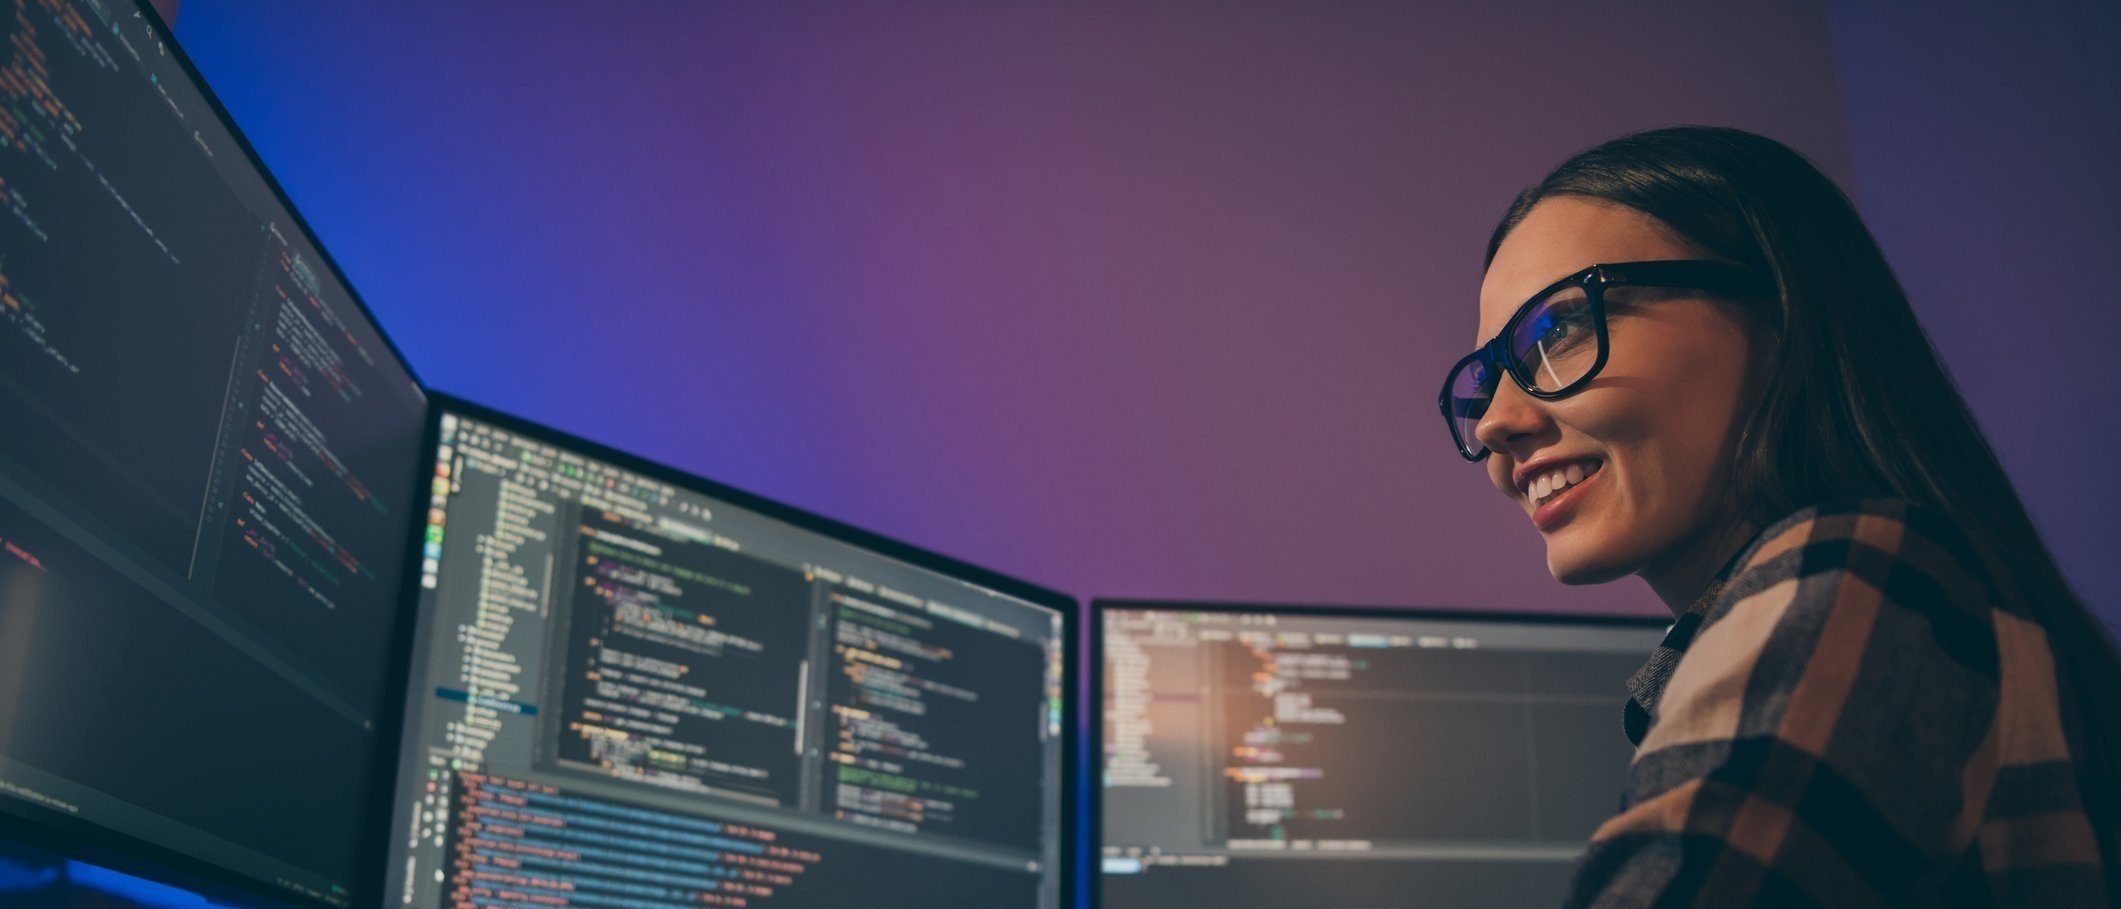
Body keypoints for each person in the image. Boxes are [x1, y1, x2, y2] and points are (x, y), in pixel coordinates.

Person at [1440, 125, 2119, 906]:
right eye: (1485, 378)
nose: (1494, 421)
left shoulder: (1856, 570)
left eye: (1556, 328)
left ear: (1780, 315)